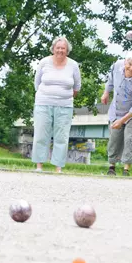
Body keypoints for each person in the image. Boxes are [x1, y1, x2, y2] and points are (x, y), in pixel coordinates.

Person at [32, 36, 81, 173]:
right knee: (41, 134)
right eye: (58, 48)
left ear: (67, 50)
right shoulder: (44, 62)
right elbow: (37, 83)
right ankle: (39, 166)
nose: (60, 50)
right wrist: (47, 95)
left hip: (65, 105)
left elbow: (77, 87)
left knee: (62, 137)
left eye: (63, 48)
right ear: (53, 49)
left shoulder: (73, 65)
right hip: (43, 102)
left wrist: (64, 97)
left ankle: (58, 167)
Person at [101, 50, 132, 176]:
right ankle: (112, 167)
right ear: (125, 61)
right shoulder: (117, 65)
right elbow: (110, 79)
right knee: (114, 138)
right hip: (116, 109)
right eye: (129, 64)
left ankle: (126, 169)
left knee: (129, 138)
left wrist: (122, 121)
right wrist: (106, 92)